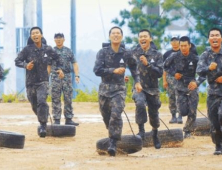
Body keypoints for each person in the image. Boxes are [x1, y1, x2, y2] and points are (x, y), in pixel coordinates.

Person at [93, 26, 142, 156]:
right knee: (107, 117)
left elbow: (134, 67)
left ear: (121, 36)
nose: (115, 35)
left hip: (119, 89)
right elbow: (97, 70)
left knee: (116, 114)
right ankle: (112, 134)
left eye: (118, 33)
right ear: (110, 36)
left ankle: (113, 144)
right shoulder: (102, 52)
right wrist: (112, 70)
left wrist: (137, 81)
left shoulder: (126, 53)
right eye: (113, 33)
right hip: (104, 89)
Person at [15, 26, 64, 138]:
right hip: (30, 82)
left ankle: (42, 125)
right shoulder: (27, 50)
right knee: (34, 105)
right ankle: (44, 116)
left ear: (41, 35)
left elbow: (58, 59)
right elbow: (17, 61)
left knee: (42, 101)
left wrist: (59, 69)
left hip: (43, 81)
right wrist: (25, 65)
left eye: (37, 33)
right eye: (33, 33)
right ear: (31, 36)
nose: (35, 35)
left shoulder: (48, 49)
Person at [191, 28, 222, 155]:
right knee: (214, 120)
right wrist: (209, 68)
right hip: (213, 93)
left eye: (217, 35)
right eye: (212, 35)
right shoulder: (205, 55)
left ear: (221, 38)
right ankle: (218, 145)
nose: (214, 38)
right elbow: (199, 71)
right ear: (209, 39)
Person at [131, 29, 163, 149]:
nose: (143, 38)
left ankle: (155, 134)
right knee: (139, 103)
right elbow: (124, 64)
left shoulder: (157, 54)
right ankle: (141, 131)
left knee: (154, 114)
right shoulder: (134, 52)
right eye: (141, 37)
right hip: (139, 87)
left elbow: (159, 73)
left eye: (145, 36)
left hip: (153, 89)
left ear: (150, 39)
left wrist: (148, 64)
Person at [164, 36, 199, 138]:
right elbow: (165, 66)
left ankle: (187, 131)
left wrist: (196, 82)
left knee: (193, 110)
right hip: (179, 86)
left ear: (189, 46)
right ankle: (183, 112)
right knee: (183, 111)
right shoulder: (174, 56)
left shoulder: (195, 58)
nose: (183, 48)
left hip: (191, 86)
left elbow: (202, 71)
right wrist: (174, 73)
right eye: (181, 46)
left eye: (185, 46)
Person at [47, 33, 79, 126]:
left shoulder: (68, 51)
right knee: (55, 98)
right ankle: (56, 119)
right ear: (54, 40)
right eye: (56, 38)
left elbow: (75, 63)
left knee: (68, 98)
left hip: (67, 77)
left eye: (60, 38)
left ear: (64, 39)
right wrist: (46, 78)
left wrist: (77, 75)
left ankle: (68, 118)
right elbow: (48, 65)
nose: (58, 40)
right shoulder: (52, 52)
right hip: (55, 77)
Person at [163, 37, 182, 124]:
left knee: (180, 96)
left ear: (179, 42)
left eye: (176, 41)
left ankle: (180, 116)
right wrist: (164, 80)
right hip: (170, 78)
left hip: (181, 78)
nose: (174, 43)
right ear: (171, 43)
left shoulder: (183, 52)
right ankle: (173, 116)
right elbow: (164, 69)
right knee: (171, 97)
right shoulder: (167, 54)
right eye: (173, 41)